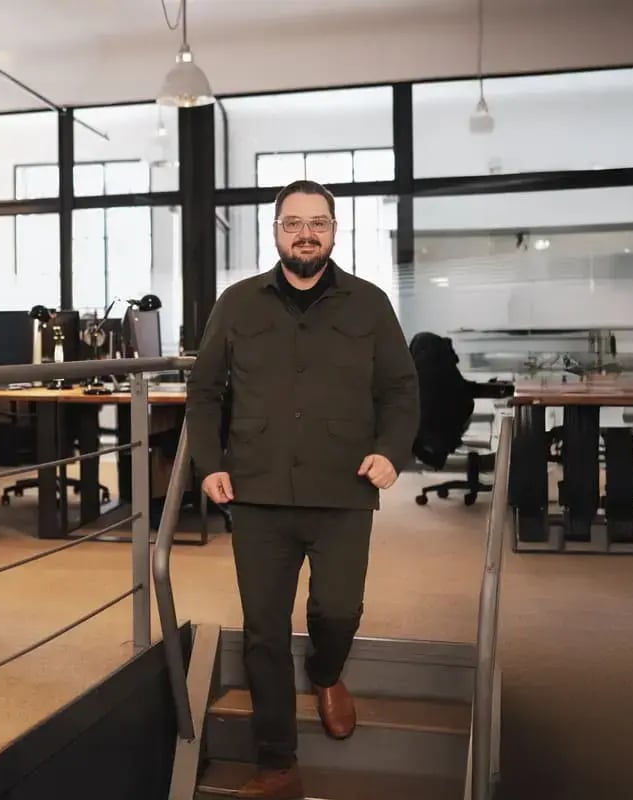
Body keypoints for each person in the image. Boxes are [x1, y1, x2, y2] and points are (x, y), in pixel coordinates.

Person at [185, 180, 419, 799]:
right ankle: (277, 761)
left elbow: (401, 389)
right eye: (293, 223)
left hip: (344, 487)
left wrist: (392, 451)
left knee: (338, 610)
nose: (306, 234)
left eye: (318, 222)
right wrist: (208, 463)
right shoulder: (237, 303)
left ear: (335, 231)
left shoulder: (369, 304)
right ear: (277, 233)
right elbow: (205, 392)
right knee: (263, 630)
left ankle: (326, 671)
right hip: (258, 491)